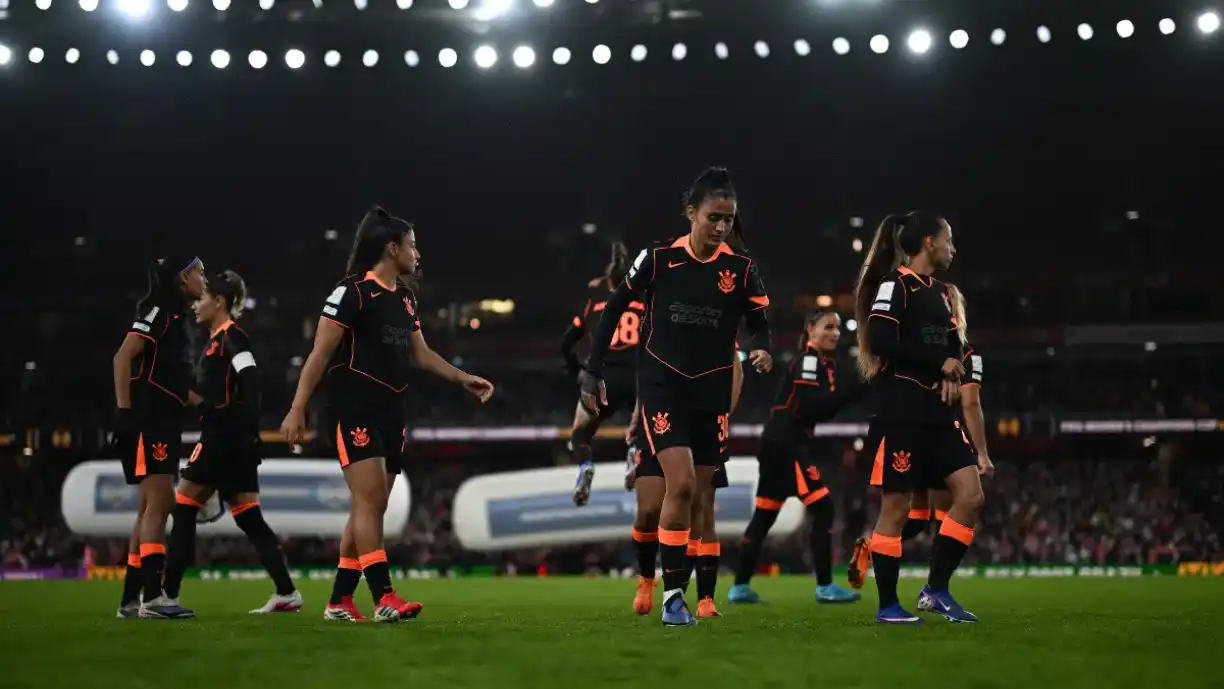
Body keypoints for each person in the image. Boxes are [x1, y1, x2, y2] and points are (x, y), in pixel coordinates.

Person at [280, 206, 494, 623]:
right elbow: (319, 353)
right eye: (412, 244)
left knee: (369, 507)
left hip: (392, 411)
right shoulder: (352, 293)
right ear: (391, 248)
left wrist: (463, 378)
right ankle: (383, 597)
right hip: (352, 406)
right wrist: (297, 407)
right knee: (371, 498)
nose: (418, 252)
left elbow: (422, 354)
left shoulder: (405, 298)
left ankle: (339, 601)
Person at [581, 167, 773, 626]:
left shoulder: (741, 269)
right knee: (680, 483)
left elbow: (760, 322)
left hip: (712, 390)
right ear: (692, 213)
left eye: (729, 219)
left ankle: (696, 596)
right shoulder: (658, 258)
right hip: (664, 385)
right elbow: (613, 312)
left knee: (701, 495)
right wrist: (592, 369)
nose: (722, 227)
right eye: (713, 218)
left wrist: (763, 346)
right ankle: (672, 596)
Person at [847, 212, 983, 625]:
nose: (953, 249)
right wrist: (936, 363)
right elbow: (883, 339)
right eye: (949, 240)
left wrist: (952, 371)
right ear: (929, 242)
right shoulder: (895, 285)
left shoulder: (942, 293)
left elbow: (952, 347)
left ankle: (936, 589)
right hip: (901, 412)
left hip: (938, 414)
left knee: (972, 495)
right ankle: (888, 605)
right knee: (897, 509)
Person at [162, 270, 302, 614]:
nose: (197, 305)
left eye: (203, 298)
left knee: (183, 508)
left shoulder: (232, 339)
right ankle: (286, 592)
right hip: (234, 438)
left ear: (219, 302)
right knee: (249, 517)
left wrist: (236, 424)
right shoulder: (215, 341)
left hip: (224, 438)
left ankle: (167, 597)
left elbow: (251, 381)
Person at [728, 308, 866, 605]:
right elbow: (811, 406)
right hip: (786, 442)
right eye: (828, 327)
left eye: (838, 328)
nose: (835, 333)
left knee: (764, 515)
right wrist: (855, 389)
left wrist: (854, 390)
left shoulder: (823, 364)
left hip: (778, 441)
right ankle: (825, 586)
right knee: (824, 508)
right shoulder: (808, 361)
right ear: (811, 330)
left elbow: (822, 407)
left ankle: (739, 587)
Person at [111, 255, 206, 619]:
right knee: (160, 502)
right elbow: (123, 358)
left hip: (163, 420)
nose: (204, 279)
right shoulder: (158, 312)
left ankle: (130, 601)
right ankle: (153, 598)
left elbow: (176, 386)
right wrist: (124, 412)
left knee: (148, 508)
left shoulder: (177, 320)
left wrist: (206, 407)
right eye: (199, 272)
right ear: (183, 278)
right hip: (149, 419)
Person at [626, 346, 741, 620]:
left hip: (702, 418)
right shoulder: (656, 317)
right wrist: (636, 413)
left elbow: (735, 368)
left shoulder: (714, 313)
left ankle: (692, 594)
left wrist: (722, 415)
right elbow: (649, 373)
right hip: (660, 417)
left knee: (701, 505)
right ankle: (646, 579)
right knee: (648, 510)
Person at [901, 284, 995, 612]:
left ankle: (875, 549)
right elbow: (970, 402)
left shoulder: (918, 349)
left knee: (933, 515)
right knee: (969, 499)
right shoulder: (965, 353)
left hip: (911, 428)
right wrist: (982, 452)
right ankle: (935, 587)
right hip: (942, 432)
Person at [561, 241, 645, 506]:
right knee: (645, 428)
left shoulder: (594, 304)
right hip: (637, 378)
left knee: (581, 432)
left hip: (603, 377)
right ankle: (634, 453)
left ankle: (585, 465)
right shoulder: (645, 300)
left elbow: (566, 343)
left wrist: (577, 370)